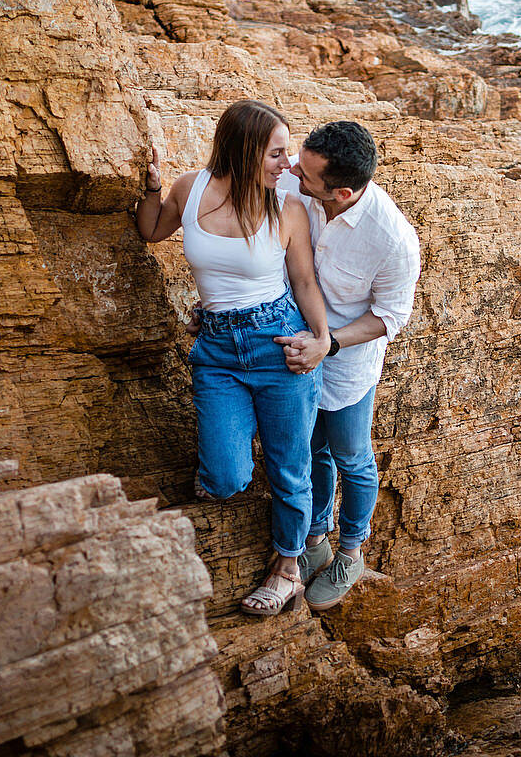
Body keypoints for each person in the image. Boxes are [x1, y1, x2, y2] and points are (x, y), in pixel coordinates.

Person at [135, 99, 332, 616]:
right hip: (217, 349)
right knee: (225, 479)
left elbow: (304, 281)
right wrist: (152, 188)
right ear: (244, 151)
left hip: (279, 344)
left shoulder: (286, 209)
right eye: (276, 154)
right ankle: (228, 470)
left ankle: (287, 570)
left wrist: (321, 340)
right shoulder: (191, 188)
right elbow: (152, 230)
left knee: (290, 467)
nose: (286, 164)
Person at [275, 120, 421, 611]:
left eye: (306, 174)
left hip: (346, 366)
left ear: (341, 192)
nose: (293, 172)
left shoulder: (392, 239)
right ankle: (316, 536)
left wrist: (329, 344)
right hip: (294, 351)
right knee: (311, 449)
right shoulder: (299, 182)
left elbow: (390, 316)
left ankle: (351, 552)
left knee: (352, 457)